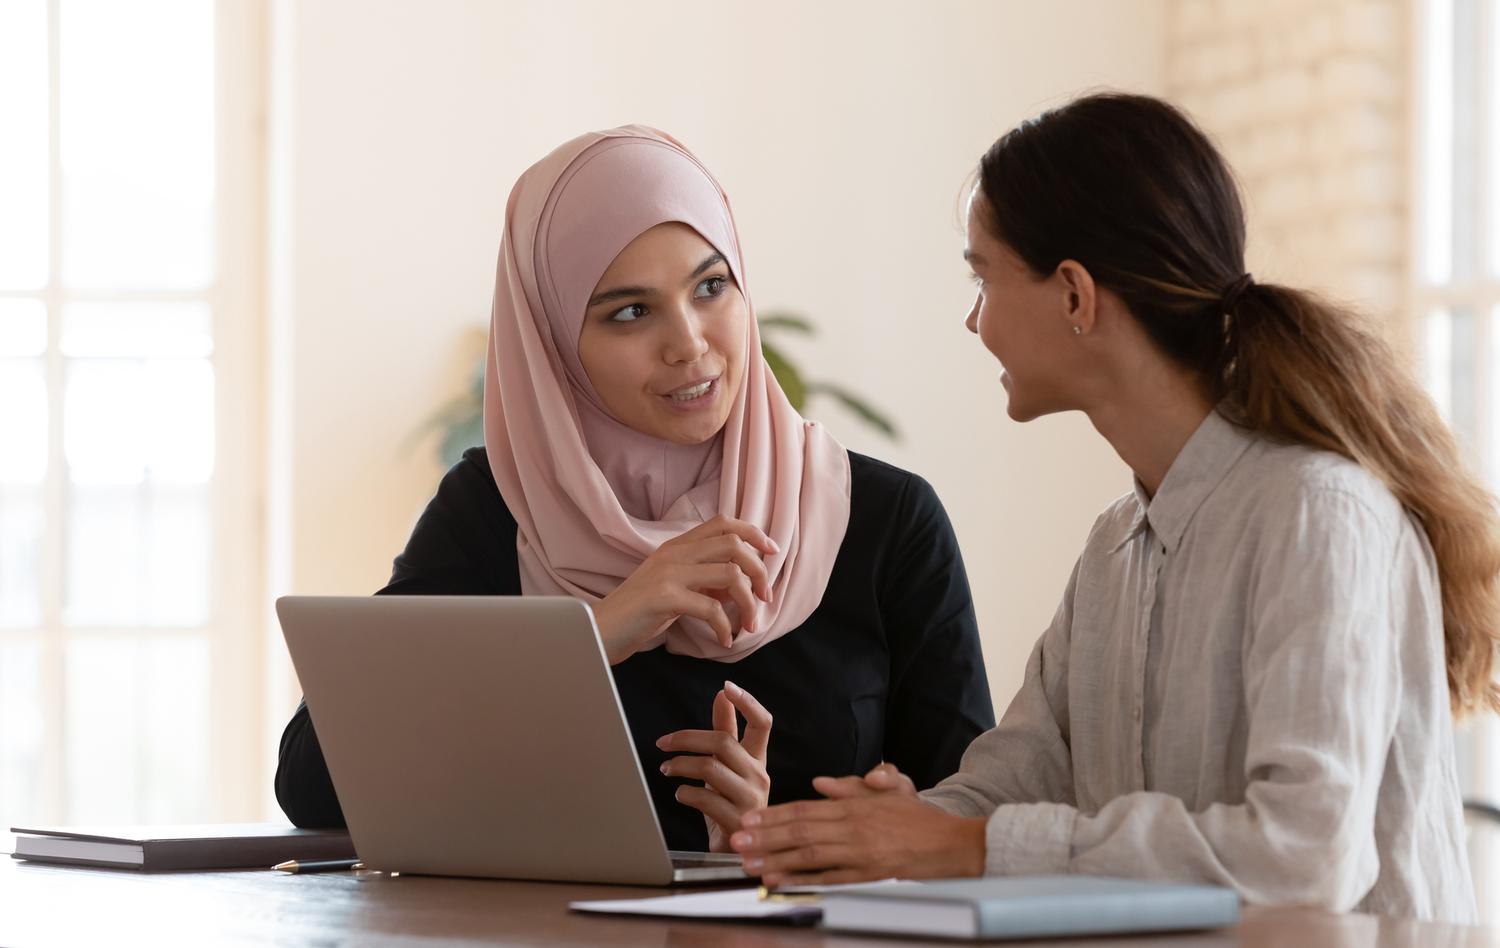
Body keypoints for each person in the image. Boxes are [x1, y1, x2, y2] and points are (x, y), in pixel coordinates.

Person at [729, 93, 1495, 923]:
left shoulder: (1318, 515)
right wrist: (890, 827)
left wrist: (967, 847)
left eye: (983, 277)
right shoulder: (1114, 547)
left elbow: (1305, 856)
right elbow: (1012, 781)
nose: (972, 317)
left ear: (1074, 297)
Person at [274, 126, 995, 852]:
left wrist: (770, 843)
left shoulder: (883, 520)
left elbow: (965, 820)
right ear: (554, 345)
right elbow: (313, 783)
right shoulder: (500, 509)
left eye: (711, 287)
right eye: (629, 312)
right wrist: (597, 634)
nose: (689, 343)